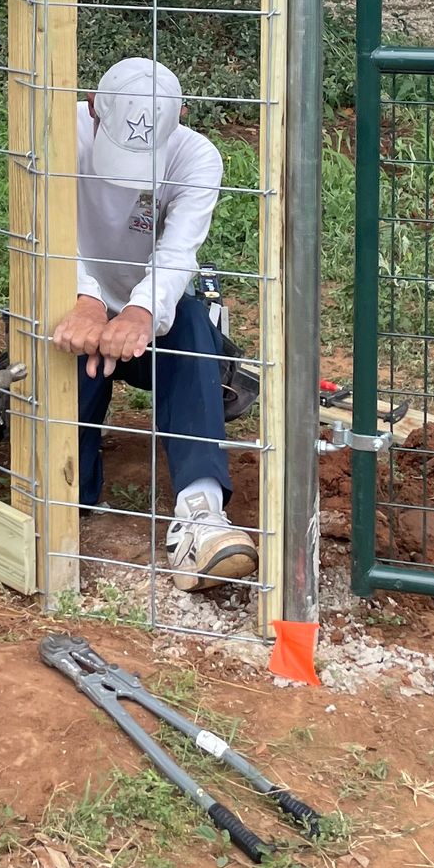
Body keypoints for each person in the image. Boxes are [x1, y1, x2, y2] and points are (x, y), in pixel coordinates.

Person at [49, 57, 256, 590]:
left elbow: (178, 251)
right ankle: (66, 488)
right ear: (93, 107)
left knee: (188, 322)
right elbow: (45, 229)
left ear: (181, 116)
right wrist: (87, 300)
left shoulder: (196, 158)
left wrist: (139, 313)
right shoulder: (55, 132)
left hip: (152, 325)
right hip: (69, 313)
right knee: (68, 496)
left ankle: (201, 514)